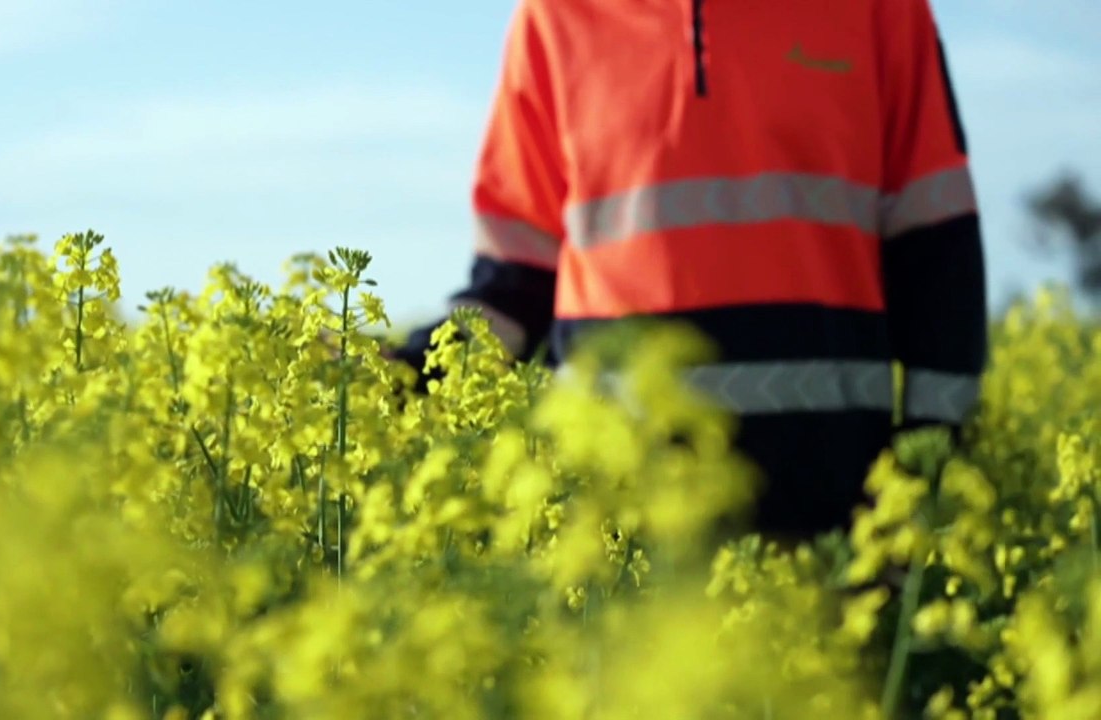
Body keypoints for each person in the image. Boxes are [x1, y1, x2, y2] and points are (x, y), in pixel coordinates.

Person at [387, 0, 989, 540]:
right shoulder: (554, 17)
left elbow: (939, 259)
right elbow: (513, 282)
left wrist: (922, 481)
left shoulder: (881, 10)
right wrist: (395, 375)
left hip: (832, 529)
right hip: (611, 536)